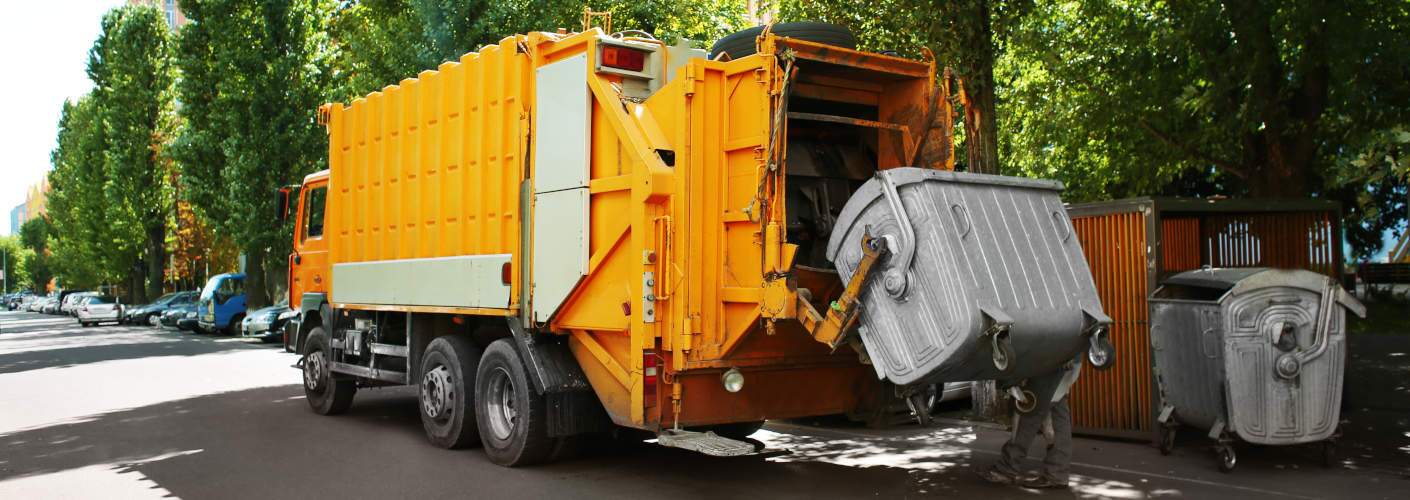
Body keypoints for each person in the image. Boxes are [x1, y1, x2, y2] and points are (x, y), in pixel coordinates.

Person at [978, 354, 1081, 489]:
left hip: (1055, 362)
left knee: (1028, 412)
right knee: (1057, 412)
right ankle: (1057, 473)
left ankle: (1007, 468)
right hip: (1065, 360)